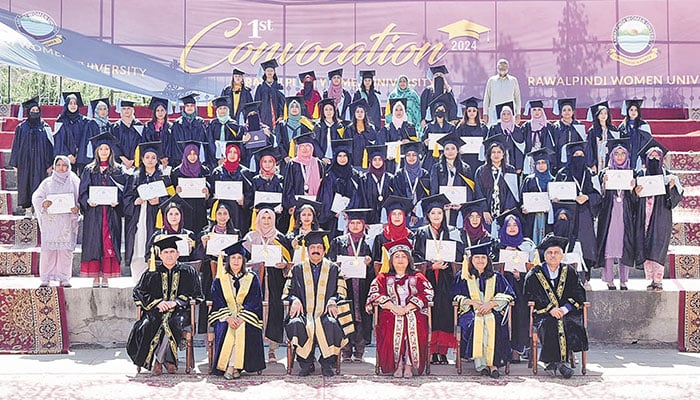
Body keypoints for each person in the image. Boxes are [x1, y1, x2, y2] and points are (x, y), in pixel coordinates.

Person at [127, 236, 204, 375]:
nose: (169, 255)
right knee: (148, 325)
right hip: (155, 311)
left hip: (179, 312)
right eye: (166, 252)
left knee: (172, 323)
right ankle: (169, 362)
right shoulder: (151, 273)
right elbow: (138, 292)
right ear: (160, 255)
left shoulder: (188, 271)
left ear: (178, 254)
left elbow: (197, 294)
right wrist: (158, 303)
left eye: (172, 252)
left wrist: (175, 302)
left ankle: (159, 361)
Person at [284, 230, 348, 377]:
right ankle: (306, 363)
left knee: (331, 324)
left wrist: (333, 300)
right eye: (312, 248)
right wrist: (294, 300)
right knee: (296, 324)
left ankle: (326, 362)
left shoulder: (333, 269)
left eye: (319, 248)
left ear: (324, 250)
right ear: (307, 250)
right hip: (304, 313)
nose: (316, 251)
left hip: (325, 312)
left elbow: (342, 292)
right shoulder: (297, 268)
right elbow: (288, 291)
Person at [366, 238, 433, 377]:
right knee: (391, 325)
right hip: (391, 312)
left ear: (409, 259)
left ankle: (408, 365)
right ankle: (397, 364)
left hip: (413, 311)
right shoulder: (383, 277)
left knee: (414, 325)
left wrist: (408, 307)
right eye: (397, 256)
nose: (400, 259)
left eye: (404, 256)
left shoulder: (417, 276)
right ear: (391, 260)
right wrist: (392, 306)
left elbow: (428, 292)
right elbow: (374, 293)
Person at [524, 234, 588, 379]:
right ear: (544, 256)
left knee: (566, 322)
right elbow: (530, 295)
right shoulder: (534, 273)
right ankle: (559, 363)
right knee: (549, 323)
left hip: (567, 312)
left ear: (562, 255)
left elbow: (579, 293)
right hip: (544, 313)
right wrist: (550, 309)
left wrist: (565, 309)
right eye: (549, 253)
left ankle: (554, 363)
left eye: (556, 252)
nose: (553, 256)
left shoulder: (570, 272)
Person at [412, 194, 463, 365]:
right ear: (427, 215)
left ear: (443, 215)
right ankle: (431, 351)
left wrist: (447, 261)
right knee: (430, 313)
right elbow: (416, 256)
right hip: (428, 277)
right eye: (433, 213)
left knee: (445, 313)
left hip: (446, 278)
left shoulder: (451, 232)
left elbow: (459, 253)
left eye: (439, 213)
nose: (436, 216)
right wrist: (431, 265)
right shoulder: (420, 232)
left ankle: (442, 352)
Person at [453, 241, 515, 378]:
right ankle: (481, 364)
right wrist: (471, 302)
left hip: (492, 309)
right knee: (475, 323)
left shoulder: (496, 276)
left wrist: (491, 304)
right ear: (471, 260)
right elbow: (455, 296)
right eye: (477, 258)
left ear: (488, 260)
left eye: (483, 258)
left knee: (494, 323)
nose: (480, 260)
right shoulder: (463, 276)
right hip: (470, 311)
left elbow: (509, 295)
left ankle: (492, 364)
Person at [242, 204, 293, 363]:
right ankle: (253, 346)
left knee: (275, 311)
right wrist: (249, 263)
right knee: (253, 310)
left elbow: (289, 263)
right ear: (258, 219)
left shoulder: (280, 238)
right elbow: (240, 260)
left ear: (274, 219)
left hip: (275, 280)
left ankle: (272, 349)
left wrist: (284, 265)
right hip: (254, 280)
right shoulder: (250, 237)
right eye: (263, 217)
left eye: (269, 217)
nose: (266, 221)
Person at [208, 239, 266, 379]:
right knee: (228, 327)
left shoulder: (252, 278)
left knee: (242, 327)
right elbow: (218, 302)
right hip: (225, 317)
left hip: (247, 317)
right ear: (228, 260)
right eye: (233, 257)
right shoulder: (219, 280)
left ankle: (231, 367)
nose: (236, 261)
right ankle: (234, 368)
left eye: (239, 258)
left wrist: (241, 317)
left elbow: (255, 301)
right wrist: (229, 317)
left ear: (244, 261)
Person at [633, 139, 684, 292]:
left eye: (657, 156)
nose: (654, 159)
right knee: (645, 246)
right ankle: (651, 280)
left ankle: (658, 280)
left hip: (661, 217)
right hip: (644, 217)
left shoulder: (670, 176)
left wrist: (672, 188)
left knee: (659, 246)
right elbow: (631, 201)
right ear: (646, 159)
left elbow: (675, 200)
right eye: (651, 156)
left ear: (662, 159)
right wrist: (635, 193)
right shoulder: (640, 175)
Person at [78, 132, 126, 288]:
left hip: (111, 213)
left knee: (109, 243)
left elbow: (123, 191)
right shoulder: (89, 170)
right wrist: (87, 201)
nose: (104, 151)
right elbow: (82, 192)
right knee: (94, 243)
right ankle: (95, 276)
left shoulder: (118, 170)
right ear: (96, 151)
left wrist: (117, 201)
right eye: (101, 149)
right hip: (94, 213)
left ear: (111, 151)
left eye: (107, 148)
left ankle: (106, 277)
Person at [328, 208, 375, 363]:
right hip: (345, 284)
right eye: (352, 223)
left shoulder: (369, 242)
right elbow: (330, 262)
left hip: (363, 285)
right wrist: (337, 265)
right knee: (345, 315)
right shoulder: (339, 241)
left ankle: (360, 350)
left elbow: (377, 265)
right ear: (347, 224)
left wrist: (369, 263)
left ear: (363, 224)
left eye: (358, 223)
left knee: (361, 316)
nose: (355, 226)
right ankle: (346, 350)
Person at [553, 141, 602, 287]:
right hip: (568, 214)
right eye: (575, 155)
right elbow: (556, 194)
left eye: (581, 155)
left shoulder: (589, 173)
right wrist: (556, 200)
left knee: (587, 246)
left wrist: (587, 197)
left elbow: (598, 195)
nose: (578, 158)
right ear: (570, 157)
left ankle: (586, 277)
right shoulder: (562, 174)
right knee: (568, 244)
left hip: (585, 214)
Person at [123, 142, 172, 281]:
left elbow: (172, 199)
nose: (150, 160)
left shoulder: (164, 177)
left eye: (153, 157)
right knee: (137, 247)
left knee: (153, 247)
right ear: (142, 159)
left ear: (157, 160)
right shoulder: (135, 176)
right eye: (147, 157)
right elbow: (126, 197)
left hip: (156, 217)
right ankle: (137, 280)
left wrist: (160, 201)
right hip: (139, 216)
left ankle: (154, 280)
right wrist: (135, 201)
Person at [31, 155, 80, 287]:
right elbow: (36, 197)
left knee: (65, 251)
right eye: (58, 165)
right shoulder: (47, 183)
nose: (61, 168)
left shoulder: (74, 181)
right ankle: (45, 278)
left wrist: (77, 209)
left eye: (64, 165)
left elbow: (80, 199)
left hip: (66, 222)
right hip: (51, 222)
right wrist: (43, 203)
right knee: (48, 251)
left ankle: (64, 278)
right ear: (54, 166)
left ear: (69, 167)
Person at [595, 140, 637, 291]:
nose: (619, 157)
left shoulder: (632, 173)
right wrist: (604, 186)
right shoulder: (605, 172)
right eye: (617, 154)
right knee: (609, 246)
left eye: (623, 154)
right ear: (612, 156)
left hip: (625, 215)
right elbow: (599, 198)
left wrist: (632, 190)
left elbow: (635, 202)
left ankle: (624, 280)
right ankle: (609, 280)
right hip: (609, 215)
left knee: (623, 246)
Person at [496, 211, 535, 362]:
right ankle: (500, 350)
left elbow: (533, 269)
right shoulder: (497, 245)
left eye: (515, 225)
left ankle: (517, 350)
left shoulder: (527, 245)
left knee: (520, 310)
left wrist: (521, 275)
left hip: (520, 287)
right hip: (501, 286)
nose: (512, 228)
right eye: (509, 225)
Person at [197, 201, 241, 332]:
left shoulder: (236, 233)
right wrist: (204, 245)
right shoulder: (206, 232)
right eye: (219, 214)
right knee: (209, 303)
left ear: (229, 216)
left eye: (225, 214)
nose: (222, 217)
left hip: (230, 273)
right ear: (214, 215)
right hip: (210, 274)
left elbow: (241, 255)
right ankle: (208, 339)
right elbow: (198, 256)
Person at [10, 96, 54, 215]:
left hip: (41, 162)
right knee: (25, 184)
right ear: (28, 112)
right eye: (32, 111)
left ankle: (38, 210)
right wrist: (15, 163)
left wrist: (50, 163)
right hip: (25, 161)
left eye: (37, 110)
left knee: (39, 185)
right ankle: (28, 211)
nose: (35, 112)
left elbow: (51, 146)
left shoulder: (45, 127)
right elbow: (16, 146)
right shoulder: (21, 127)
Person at [474, 136, 519, 235]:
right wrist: (484, 210)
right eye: (493, 152)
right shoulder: (481, 171)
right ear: (489, 155)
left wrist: (507, 210)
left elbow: (512, 192)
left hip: (504, 211)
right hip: (487, 212)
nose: (496, 155)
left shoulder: (510, 170)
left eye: (499, 152)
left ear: (503, 154)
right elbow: (478, 192)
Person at [207, 142, 254, 235]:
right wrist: (213, 197)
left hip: (238, 211)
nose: (232, 155)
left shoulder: (244, 172)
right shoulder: (217, 171)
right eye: (230, 152)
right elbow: (211, 193)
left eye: (235, 152)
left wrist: (244, 201)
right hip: (221, 211)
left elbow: (250, 193)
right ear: (226, 154)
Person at [316, 139, 361, 235]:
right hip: (333, 217)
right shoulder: (330, 175)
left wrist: (348, 211)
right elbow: (326, 197)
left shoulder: (354, 174)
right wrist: (334, 213)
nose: (342, 158)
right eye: (339, 156)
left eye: (345, 156)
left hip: (350, 217)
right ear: (335, 157)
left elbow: (357, 195)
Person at [429, 132, 474, 226]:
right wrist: (439, 205)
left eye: (453, 148)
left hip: (459, 209)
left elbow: (469, 190)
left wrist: (463, 205)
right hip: (442, 209)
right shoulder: (436, 168)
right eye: (447, 149)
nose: (450, 151)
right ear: (443, 151)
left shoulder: (465, 168)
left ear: (458, 150)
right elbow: (434, 189)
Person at [282, 132, 323, 221]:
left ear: (312, 147)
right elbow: (288, 185)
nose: (305, 149)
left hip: (314, 202)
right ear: (298, 149)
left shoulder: (317, 163)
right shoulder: (292, 163)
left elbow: (322, 185)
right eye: (302, 146)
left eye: (307, 146)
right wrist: (291, 204)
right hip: (296, 203)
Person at [171, 141, 211, 233]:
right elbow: (171, 194)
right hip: (184, 209)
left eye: (195, 154)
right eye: (189, 154)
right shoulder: (177, 172)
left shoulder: (204, 170)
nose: (192, 157)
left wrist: (207, 193)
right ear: (185, 154)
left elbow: (210, 193)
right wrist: (176, 192)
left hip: (200, 209)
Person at [146, 195, 198, 265]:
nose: (174, 217)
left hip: (184, 270)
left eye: (176, 214)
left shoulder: (189, 235)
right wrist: (154, 249)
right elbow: (148, 257)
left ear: (181, 216)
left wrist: (192, 249)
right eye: (170, 214)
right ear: (166, 216)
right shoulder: (158, 235)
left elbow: (196, 258)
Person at [391, 141, 430, 230]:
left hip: (421, 213)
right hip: (404, 214)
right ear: (405, 157)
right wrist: (410, 211)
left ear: (418, 157)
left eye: (414, 155)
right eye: (408, 155)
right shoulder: (399, 174)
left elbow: (426, 194)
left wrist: (416, 211)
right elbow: (398, 195)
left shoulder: (424, 174)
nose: (411, 157)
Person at [520, 148, 556, 245]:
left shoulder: (554, 181)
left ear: (548, 164)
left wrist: (554, 203)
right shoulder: (529, 180)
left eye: (543, 162)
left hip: (548, 217)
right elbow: (521, 200)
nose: (541, 166)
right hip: (531, 217)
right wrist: (523, 207)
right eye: (538, 163)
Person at [378, 98, 419, 174]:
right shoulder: (386, 129)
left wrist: (409, 142)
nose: (398, 112)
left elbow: (416, 145)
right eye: (396, 110)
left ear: (404, 111)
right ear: (393, 111)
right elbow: (380, 145)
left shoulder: (410, 127)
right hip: (390, 163)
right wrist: (386, 154)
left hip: (406, 162)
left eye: (401, 109)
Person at [249, 146, 286, 231]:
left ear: (274, 163)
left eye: (270, 161)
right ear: (261, 163)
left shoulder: (280, 179)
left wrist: (282, 207)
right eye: (264, 161)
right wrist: (254, 208)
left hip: (277, 217)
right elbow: (250, 199)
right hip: (260, 216)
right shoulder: (255, 180)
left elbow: (284, 197)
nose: (267, 164)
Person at [53, 92, 90, 175]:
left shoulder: (84, 121)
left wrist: (79, 154)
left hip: (81, 157)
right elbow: (59, 141)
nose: (73, 106)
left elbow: (85, 140)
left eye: (75, 103)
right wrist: (68, 155)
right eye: (70, 103)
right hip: (66, 158)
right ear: (66, 105)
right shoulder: (61, 120)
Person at [370, 196, 415, 262]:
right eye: (394, 214)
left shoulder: (411, 236)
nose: (397, 217)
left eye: (400, 214)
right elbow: (376, 261)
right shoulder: (380, 237)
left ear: (404, 217)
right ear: (389, 217)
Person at [357, 145, 393, 225]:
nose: (377, 162)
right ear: (370, 161)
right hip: (369, 219)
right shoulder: (364, 179)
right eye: (375, 159)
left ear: (384, 161)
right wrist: (364, 220)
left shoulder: (390, 178)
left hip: (387, 217)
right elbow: (361, 200)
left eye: (380, 159)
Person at [487, 101, 526, 173]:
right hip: (497, 162)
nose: (506, 116)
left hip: (513, 162)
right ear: (500, 115)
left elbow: (519, 149)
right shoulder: (495, 128)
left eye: (508, 114)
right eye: (504, 114)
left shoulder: (517, 129)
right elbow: (489, 146)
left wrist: (519, 166)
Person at [421, 93, 456, 172]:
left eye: (442, 110)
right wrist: (425, 143)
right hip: (431, 158)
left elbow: (455, 142)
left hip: (448, 157)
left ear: (445, 111)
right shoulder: (429, 127)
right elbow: (422, 144)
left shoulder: (451, 127)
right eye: (438, 110)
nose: (440, 112)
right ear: (434, 112)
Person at [171, 94, 208, 168]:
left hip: (196, 158)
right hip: (181, 159)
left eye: (192, 106)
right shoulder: (177, 123)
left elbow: (202, 140)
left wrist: (196, 156)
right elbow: (175, 143)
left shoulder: (200, 122)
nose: (189, 108)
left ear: (195, 107)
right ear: (184, 108)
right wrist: (183, 157)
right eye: (187, 106)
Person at [521, 100, 557, 175]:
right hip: (530, 156)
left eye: (539, 110)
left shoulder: (548, 126)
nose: (536, 112)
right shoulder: (526, 126)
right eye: (534, 110)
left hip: (544, 156)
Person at [483, 59, 522, 126]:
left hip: (508, 113)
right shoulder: (492, 80)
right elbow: (487, 98)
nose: (502, 68)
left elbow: (517, 98)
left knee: (508, 132)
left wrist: (518, 113)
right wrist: (485, 113)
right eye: (500, 66)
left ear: (508, 68)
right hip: (494, 113)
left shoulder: (513, 80)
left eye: (504, 66)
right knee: (494, 133)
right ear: (497, 68)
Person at [455, 97, 489, 174]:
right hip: (464, 158)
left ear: (477, 112)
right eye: (469, 111)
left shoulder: (483, 127)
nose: (472, 113)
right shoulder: (460, 127)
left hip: (479, 159)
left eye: (474, 110)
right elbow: (456, 141)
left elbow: (487, 143)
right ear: (466, 112)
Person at [206, 96, 242, 169]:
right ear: (217, 110)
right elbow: (210, 141)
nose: (222, 110)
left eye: (225, 108)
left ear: (228, 110)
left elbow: (235, 142)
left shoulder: (233, 124)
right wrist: (217, 157)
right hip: (215, 156)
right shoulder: (212, 124)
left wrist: (227, 156)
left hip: (230, 156)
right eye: (220, 108)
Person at [276, 96, 315, 161]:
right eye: (292, 107)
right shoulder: (282, 125)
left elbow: (309, 142)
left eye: (297, 107)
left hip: (302, 158)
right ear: (288, 109)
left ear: (300, 109)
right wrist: (285, 156)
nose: (294, 109)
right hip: (285, 159)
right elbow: (279, 142)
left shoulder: (305, 124)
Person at [586, 101, 620, 173]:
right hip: (597, 161)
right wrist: (592, 164)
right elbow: (589, 148)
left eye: (605, 113)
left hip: (610, 161)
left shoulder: (613, 129)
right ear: (597, 115)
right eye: (601, 113)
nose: (603, 115)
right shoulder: (592, 131)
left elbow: (617, 145)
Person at [618, 99, 652, 170]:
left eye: (636, 110)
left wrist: (643, 160)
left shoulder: (644, 125)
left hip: (639, 157)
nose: (633, 112)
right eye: (631, 110)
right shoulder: (622, 126)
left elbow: (647, 144)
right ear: (627, 111)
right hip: (626, 157)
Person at [552, 98, 585, 172]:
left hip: (575, 159)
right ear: (561, 112)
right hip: (560, 160)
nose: (567, 112)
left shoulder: (579, 125)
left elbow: (583, 144)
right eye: (564, 110)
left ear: (573, 112)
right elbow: (553, 145)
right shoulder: (555, 127)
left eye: (569, 110)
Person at [111, 99, 144, 172]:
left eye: (129, 108)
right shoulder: (115, 127)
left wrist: (133, 159)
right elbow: (113, 144)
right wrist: (124, 159)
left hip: (137, 161)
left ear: (133, 110)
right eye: (124, 109)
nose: (126, 111)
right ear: (121, 111)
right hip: (119, 161)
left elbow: (141, 142)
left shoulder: (139, 125)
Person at [143, 97, 174, 171]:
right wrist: (159, 157)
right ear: (154, 112)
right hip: (152, 160)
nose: (160, 113)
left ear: (166, 111)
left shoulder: (171, 127)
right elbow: (145, 143)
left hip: (168, 161)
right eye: (158, 110)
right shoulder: (148, 126)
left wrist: (166, 158)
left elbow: (172, 144)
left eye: (162, 110)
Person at [345, 99, 378, 168]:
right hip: (353, 161)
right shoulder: (349, 129)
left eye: (361, 112)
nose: (359, 114)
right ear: (354, 113)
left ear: (365, 113)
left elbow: (375, 144)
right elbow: (347, 147)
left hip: (367, 161)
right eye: (357, 112)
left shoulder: (370, 128)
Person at [254, 59, 285, 129]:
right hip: (264, 119)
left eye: (271, 70)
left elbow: (282, 103)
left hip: (277, 119)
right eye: (268, 70)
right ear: (264, 72)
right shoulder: (260, 88)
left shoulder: (278, 87)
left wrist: (281, 115)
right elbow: (257, 105)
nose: (269, 72)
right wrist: (259, 119)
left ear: (274, 72)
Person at [313, 98, 346, 163]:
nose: (328, 112)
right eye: (326, 110)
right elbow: (315, 143)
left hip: (336, 159)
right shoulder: (318, 126)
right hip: (321, 159)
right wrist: (322, 157)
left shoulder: (339, 127)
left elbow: (342, 143)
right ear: (323, 112)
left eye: (331, 109)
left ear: (334, 111)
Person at [83, 98, 112, 168]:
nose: (103, 111)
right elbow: (87, 141)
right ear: (96, 111)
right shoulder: (91, 124)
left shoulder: (109, 124)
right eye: (100, 109)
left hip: (107, 155)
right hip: (94, 155)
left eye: (105, 109)